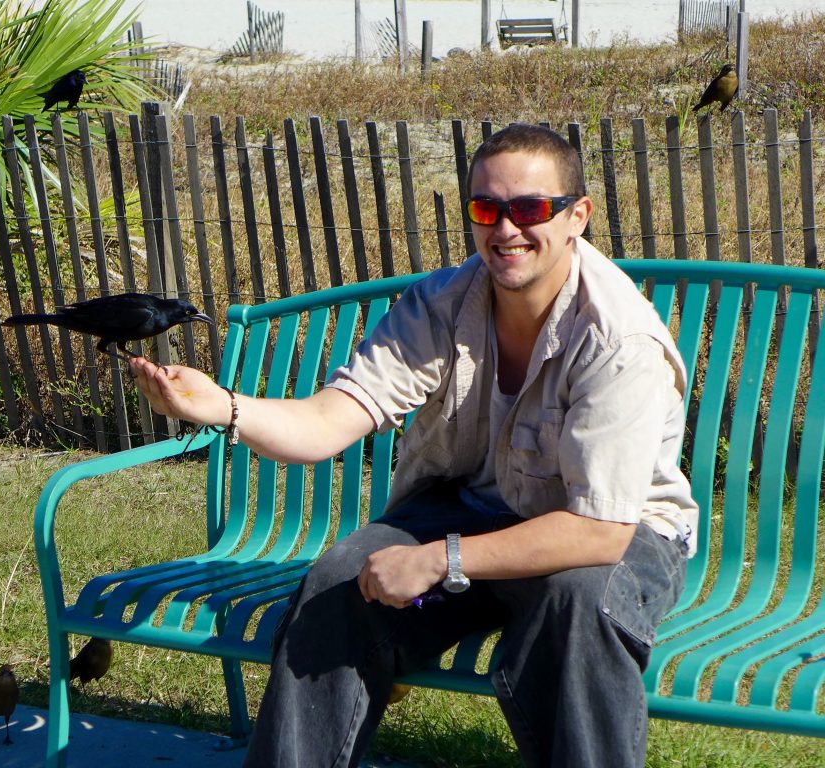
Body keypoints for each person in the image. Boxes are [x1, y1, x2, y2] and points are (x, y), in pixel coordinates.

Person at [131, 123, 698, 768]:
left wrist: (440, 561)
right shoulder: (441, 305)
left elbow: (599, 532)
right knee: (340, 583)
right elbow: (327, 421)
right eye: (487, 209)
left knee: (579, 604)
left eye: (531, 209)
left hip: (614, 532)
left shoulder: (617, 339)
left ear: (577, 218)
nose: (506, 229)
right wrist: (222, 407)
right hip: (475, 510)